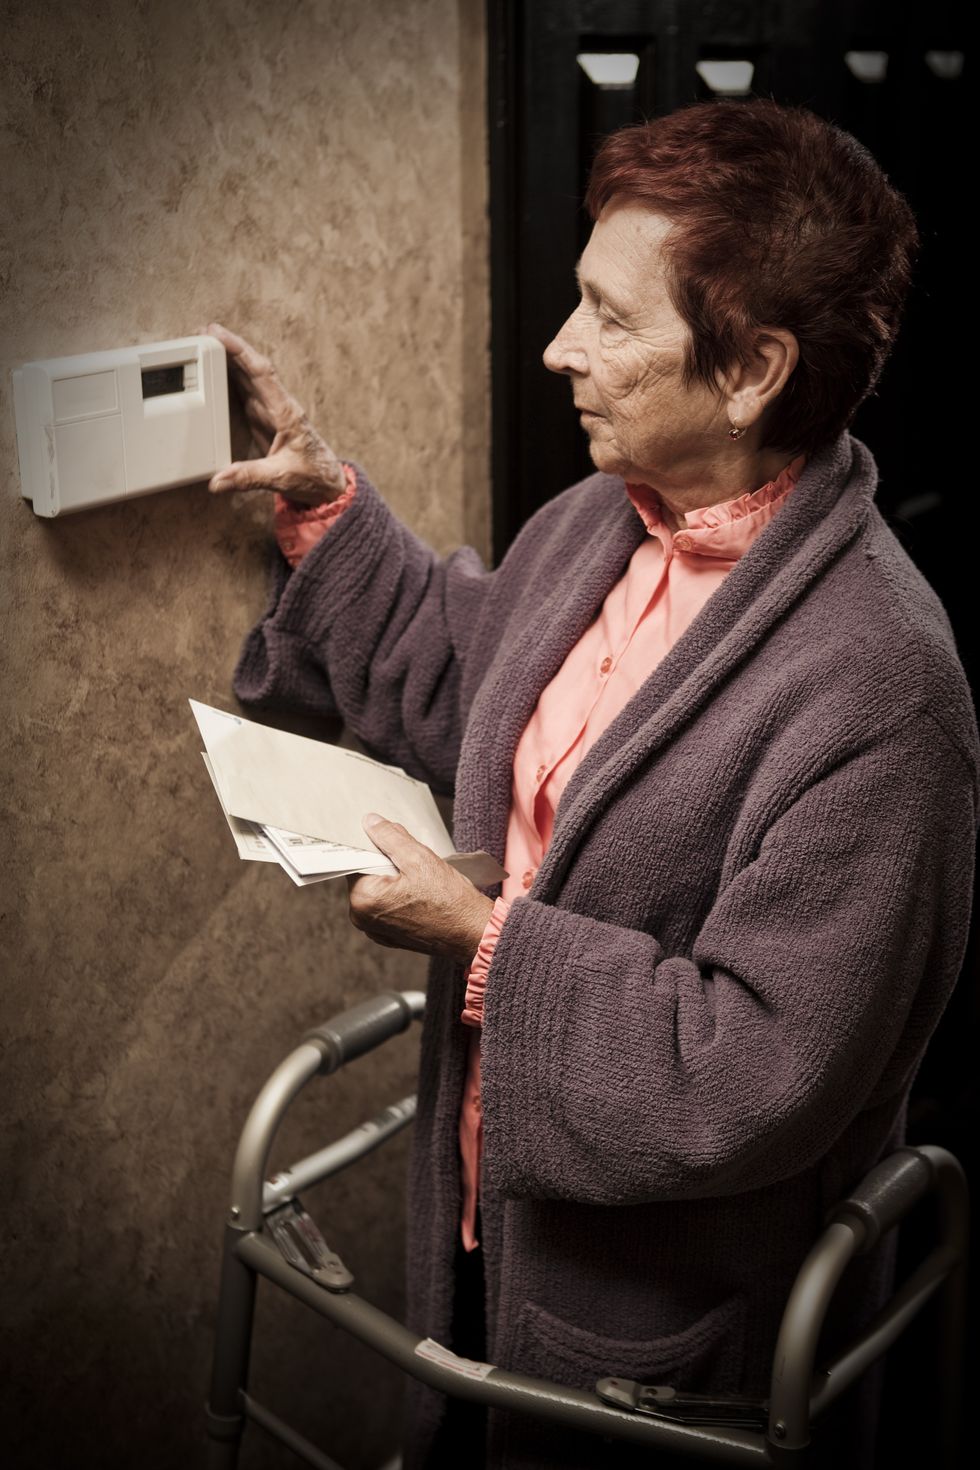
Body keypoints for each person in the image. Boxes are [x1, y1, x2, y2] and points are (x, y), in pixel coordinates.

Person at [208, 100, 978, 1470]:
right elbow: (471, 681)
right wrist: (328, 511)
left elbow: (757, 1063)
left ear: (752, 371)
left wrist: (484, 941)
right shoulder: (596, 518)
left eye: (609, 318)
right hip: (487, 1214)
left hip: (673, 1320)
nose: (561, 346)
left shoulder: (880, 688)